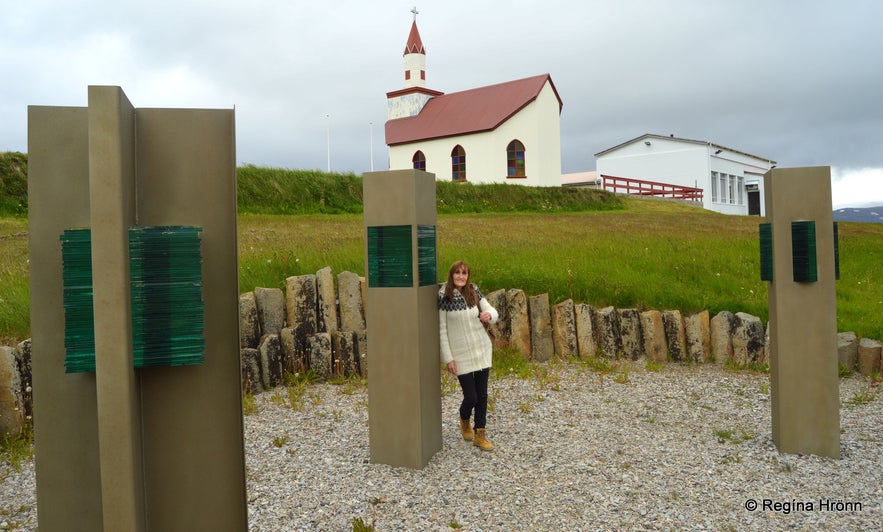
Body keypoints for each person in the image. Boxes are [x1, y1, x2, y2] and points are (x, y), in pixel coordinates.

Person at [438, 260, 499, 451]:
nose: (461, 277)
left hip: (481, 349)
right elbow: (442, 330)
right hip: (460, 355)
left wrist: (489, 315)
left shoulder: (473, 290)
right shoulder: (443, 296)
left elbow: (491, 310)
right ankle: (464, 418)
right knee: (471, 397)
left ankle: (480, 434)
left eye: (464, 273)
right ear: (451, 275)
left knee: (482, 395)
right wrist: (449, 359)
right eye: (457, 273)